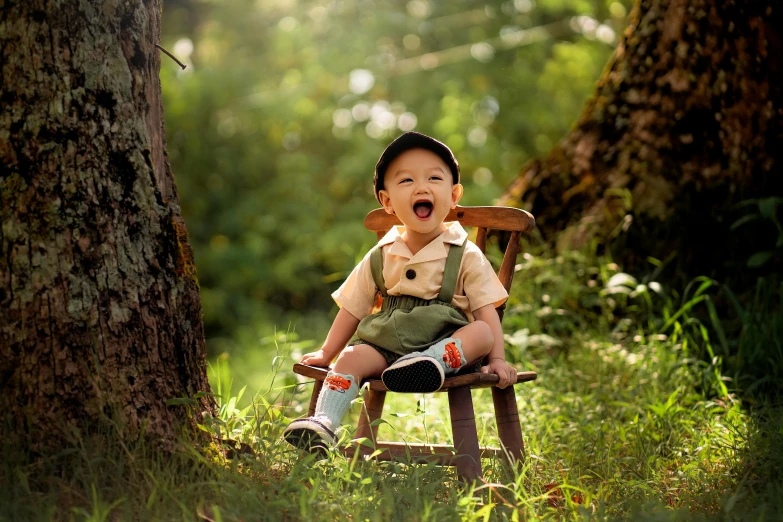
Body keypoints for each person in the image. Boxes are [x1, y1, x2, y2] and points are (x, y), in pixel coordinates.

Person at [283, 131, 518, 452]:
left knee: (481, 332)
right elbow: (353, 308)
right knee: (350, 357)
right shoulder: (382, 253)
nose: (421, 187)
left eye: (434, 178)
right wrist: (327, 352)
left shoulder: (463, 252)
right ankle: (323, 422)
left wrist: (498, 359)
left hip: (447, 345)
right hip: (387, 346)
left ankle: (428, 363)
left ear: (453, 195)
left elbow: (485, 311)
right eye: (406, 181)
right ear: (388, 201)